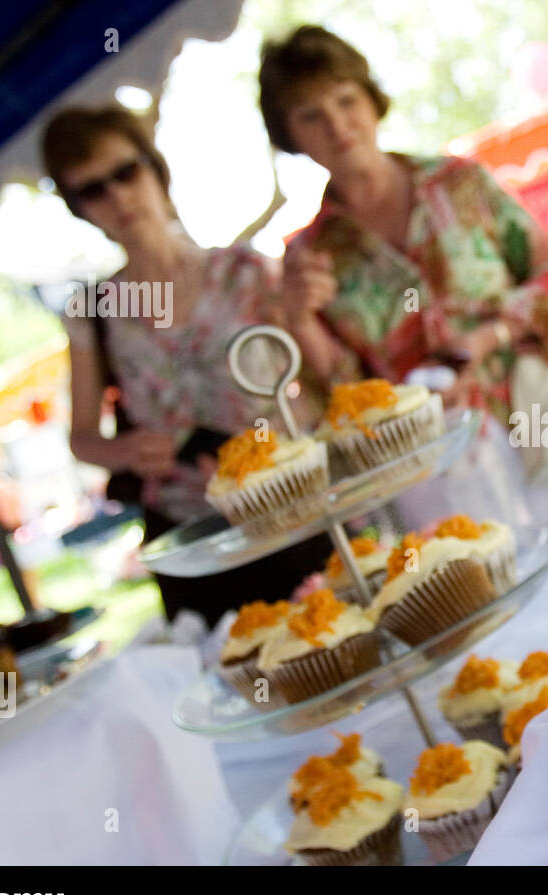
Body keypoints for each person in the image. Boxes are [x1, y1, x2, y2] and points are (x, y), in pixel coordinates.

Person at [259, 26, 548, 561]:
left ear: (371, 99)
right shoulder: (311, 256)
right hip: (433, 466)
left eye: (346, 100)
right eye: (309, 115)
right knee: (498, 615)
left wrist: (494, 332)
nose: (337, 124)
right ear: (290, 134)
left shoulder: (459, 184)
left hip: (542, 410)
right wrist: (298, 320)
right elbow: (343, 393)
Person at [42, 104, 331, 625]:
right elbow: (81, 437)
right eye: (93, 190)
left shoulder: (246, 271)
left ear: (155, 169)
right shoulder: (93, 312)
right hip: (195, 542)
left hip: (290, 511)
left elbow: (317, 381)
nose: (118, 197)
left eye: (125, 172)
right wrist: (126, 451)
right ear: (81, 208)